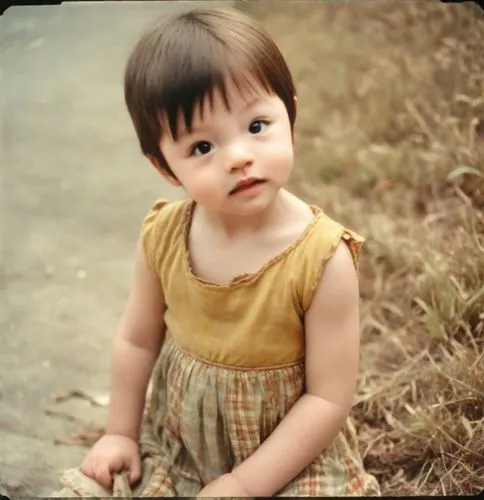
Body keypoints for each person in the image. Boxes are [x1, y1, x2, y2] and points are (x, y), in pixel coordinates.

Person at [54, 6, 380, 497]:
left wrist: (244, 485)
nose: (238, 157)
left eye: (256, 126)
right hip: (181, 443)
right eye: (202, 147)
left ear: (290, 115)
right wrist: (120, 431)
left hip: (287, 455)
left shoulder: (322, 259)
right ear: (165, 168)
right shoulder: (164, 235)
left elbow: (328, 400)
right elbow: (138, 340)